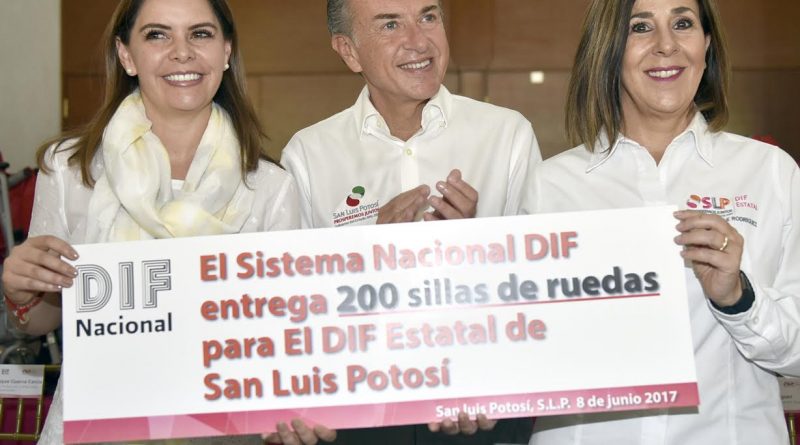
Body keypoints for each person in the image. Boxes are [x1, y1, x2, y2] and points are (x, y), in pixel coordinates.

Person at [1, 0, 299, 444]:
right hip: (93, 423)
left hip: (219, 428)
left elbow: (281, 336)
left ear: (226, 52)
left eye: (200, 34)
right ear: (126, 55)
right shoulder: (69, 169)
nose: (182, 52)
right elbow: (46, 317)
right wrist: (20, 293)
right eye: (157, 34)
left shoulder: (271, 186)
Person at [521, 0, 800, 443]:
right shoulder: (551, 184)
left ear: (706, 44)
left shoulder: (770, 173)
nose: (666, 45)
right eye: (640, 27)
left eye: (683, 23)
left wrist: (737, 298)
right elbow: (523, 344)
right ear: (609, 49)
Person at [272, 0, 541, 444]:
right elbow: (294, 305)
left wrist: (473, 249)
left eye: (428, 17)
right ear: (349, 51)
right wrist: (371, 256)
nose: (419, 41)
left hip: (481, 402)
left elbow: (538, 286)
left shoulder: (506, 135)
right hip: (358, 414)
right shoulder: (309, 154)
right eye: (390, 24)